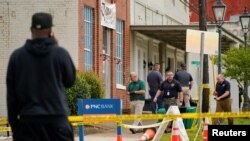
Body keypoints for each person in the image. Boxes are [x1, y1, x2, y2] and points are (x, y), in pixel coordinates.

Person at [6, 12, 76, 141]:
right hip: (56, 121)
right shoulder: (60, 54)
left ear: (31, 30)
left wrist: (16, 127)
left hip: (28, 122)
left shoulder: (17, 57)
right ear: (50, 30)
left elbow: (11, 97)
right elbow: (70, 81)